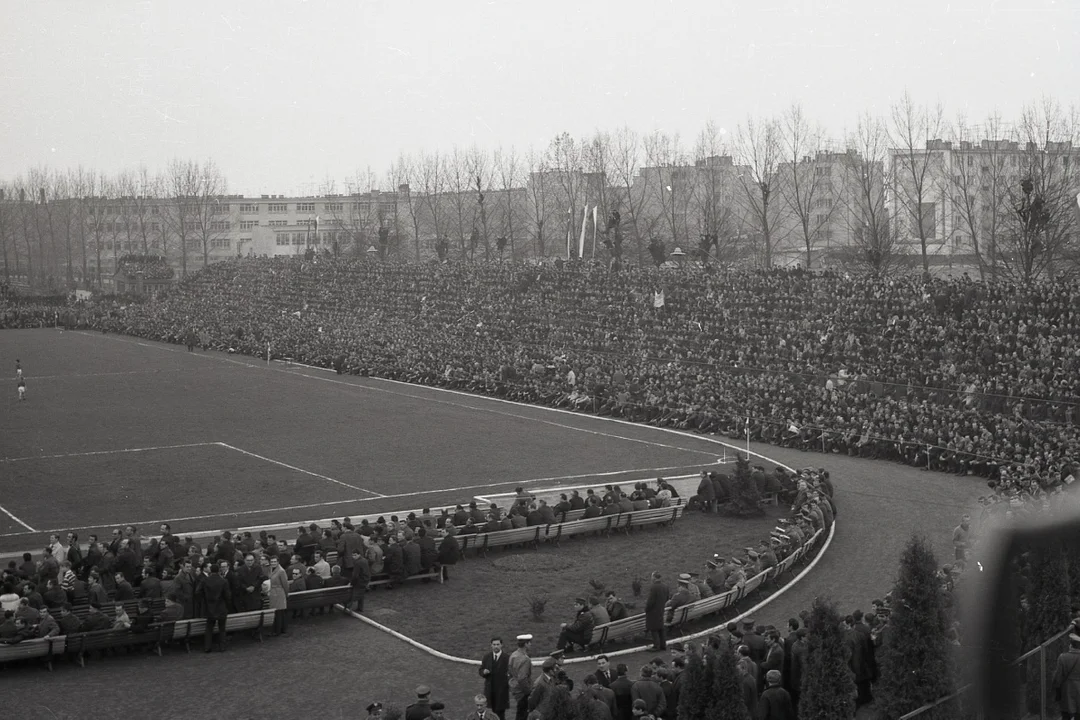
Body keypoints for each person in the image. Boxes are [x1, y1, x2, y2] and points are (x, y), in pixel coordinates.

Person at [200, 563, 230, 653]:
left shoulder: (205, 581)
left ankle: (207, 647)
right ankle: (222, 646)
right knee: (222, 628)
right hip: (221, 607)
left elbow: (198, 592)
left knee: (209, 628)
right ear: (219, 570)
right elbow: (228, 596)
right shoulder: (223, 581)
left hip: (209, 607)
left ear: (210, 570)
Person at [479, 637, 510, 720]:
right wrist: (483, 672)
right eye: (494, 644)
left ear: (501, 645)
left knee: (500, 714)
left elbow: (511, 673)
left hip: (501, 691)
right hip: (490, 690)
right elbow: (481, 670)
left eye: (498, 644)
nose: (496, 646)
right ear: (491, 645)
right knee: (490, 713)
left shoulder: (507, 658)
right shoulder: (487, 657)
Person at [1053, 631, 1080, 720]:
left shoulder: (1063, 657)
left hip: (1067, 691)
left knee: (1066, 715)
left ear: (1070, 645)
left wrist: (1057, 691)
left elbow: (1058, 678)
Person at [508, 634, 533, 720]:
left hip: (515, 689)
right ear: (525, 644)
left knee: (520, 713)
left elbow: (509, 672)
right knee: (523, 715)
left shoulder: (513, 655)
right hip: (522, 692)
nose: (531, 644)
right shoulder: (525, 659)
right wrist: (528, 692)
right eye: (529, 643)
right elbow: (522, 679)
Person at [645, 572, 670, 651]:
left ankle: (656, 646)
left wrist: (647, 609)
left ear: (654, 577)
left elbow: (650, 601)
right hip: (661, 609)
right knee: (660, 628)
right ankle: (663, 645)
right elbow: (667, 598)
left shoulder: (654, 587)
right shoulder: (665, 586)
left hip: (653, 611)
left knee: (654, 629)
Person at [266, 555, 289, 636]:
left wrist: (286, 594)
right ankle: (277, 629)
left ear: (278, 562)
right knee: (276, 611)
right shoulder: (271, 569)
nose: (273, 563)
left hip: (279, 592)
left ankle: (279, 630)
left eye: (275, 561)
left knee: (279, 611)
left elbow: (285, 584)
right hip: (273, 592)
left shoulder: (281, 571)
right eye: (272, 562)